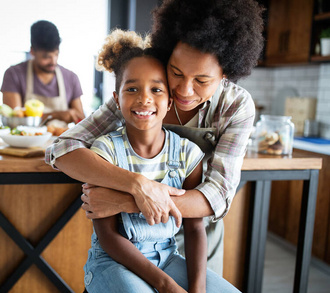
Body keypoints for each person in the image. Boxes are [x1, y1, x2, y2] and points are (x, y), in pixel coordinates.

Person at [46, 0, 264, 275]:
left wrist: (126, 200)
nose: (184, 90)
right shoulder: (145, 92)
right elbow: (62, 148)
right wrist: (137, 185)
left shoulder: (236, 106)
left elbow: (218, 195)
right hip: (132, 240)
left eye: (202, 80)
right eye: (176, 73)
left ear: (226, 74)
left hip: (196, 232)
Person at [84, 29, 247, 293]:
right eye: (132, 89)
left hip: (169, 257)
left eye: (156, 89)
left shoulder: (187, 153)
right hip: (112, 262)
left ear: (168, 101)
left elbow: (197, 225)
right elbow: (109, 238)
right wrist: (166, 285)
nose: (144, 98)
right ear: (116, 99)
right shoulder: (105, 151)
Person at [0, 20, 85, 124]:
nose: (53, 62)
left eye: (56, 54)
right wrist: (56, 115)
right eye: (46, 57)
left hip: (62, 139)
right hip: (26, 139)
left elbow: (81, 120)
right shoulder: (14, 74)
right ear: (32, 51)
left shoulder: (71, 78)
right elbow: (16, 120)